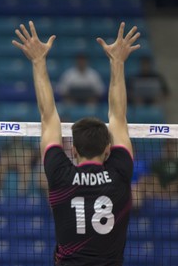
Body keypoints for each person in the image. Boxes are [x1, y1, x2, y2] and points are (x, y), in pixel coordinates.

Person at [13, 21, 139, 265]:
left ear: (72, 149)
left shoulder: (61, 174)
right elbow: (118, 117)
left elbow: (48, 116)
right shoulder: (120, 171)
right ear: (108, 150)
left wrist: (38, 61)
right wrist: (118, 62)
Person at [133, 139, 178, 209]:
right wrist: (163, 192)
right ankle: (136, 214)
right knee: (139, 186)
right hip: (158, 191)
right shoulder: (157, 164)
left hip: (173, 192)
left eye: (172, 146)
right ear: (164, 147)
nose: (170, 148)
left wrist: (171, 189)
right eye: (168, 146)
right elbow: (155, 180)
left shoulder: (176, 163)